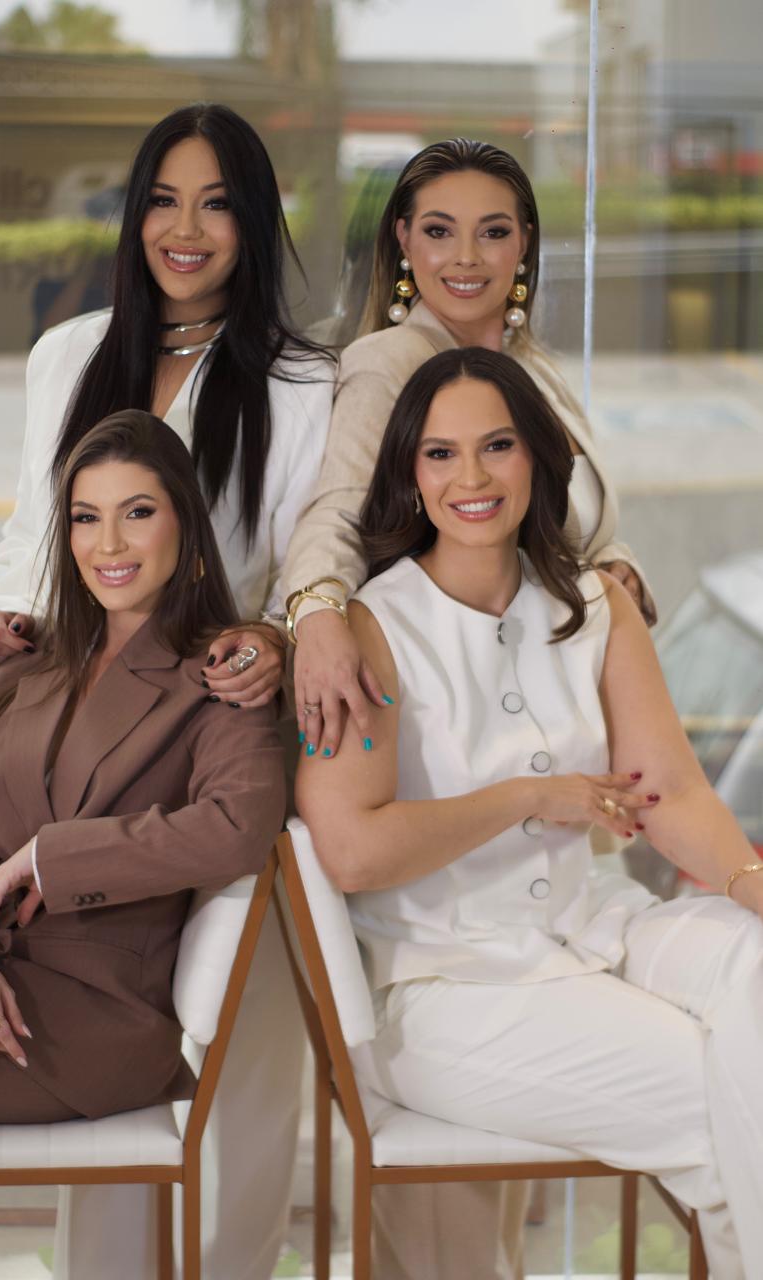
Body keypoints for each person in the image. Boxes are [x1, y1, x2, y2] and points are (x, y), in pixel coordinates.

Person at [0, 103, 334, 1280]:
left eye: (217, 203)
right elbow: (36, 524)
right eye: (164, 200)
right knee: (66, 1004)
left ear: (254, 223)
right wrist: (5, 606)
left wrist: (273, 638)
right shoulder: (68, 353)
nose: (186, 227)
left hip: (211, 722)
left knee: (241, 1059)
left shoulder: (301, 382)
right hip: (78, 703)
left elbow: (310, 555)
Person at [297, 347, 763, 1280]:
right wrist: (529, 797)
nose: (470, 478)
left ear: (538, 458)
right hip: (445, 985)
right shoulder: (369, 628)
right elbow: (350, 850)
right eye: (439, 454)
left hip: (598, 927)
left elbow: (670, 792)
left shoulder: (594, 602)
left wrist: (751, 882)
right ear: (408, 474)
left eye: (496, 446)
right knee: (722, 1107)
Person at [0, 411, 284, 1125]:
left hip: (90, 1019)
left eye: (136, 513)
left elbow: (238, 827)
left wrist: (50, 859)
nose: (108, 544)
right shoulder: (24, 669)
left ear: (184, 524)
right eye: (87, 518)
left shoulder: (220, 674)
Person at [286, 137, 656, 767]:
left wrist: (616, 566)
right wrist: (317, 615)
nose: (465, 257)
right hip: (468, 717)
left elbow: (562, 517)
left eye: (493, 232)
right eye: (439, 231)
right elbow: (339, 511)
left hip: (569, 687)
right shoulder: (388, 364)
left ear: (524, 243)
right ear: (404, 239)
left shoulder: (534, 369)